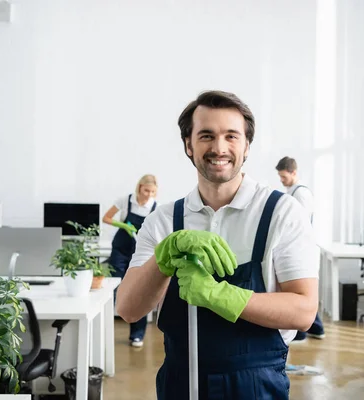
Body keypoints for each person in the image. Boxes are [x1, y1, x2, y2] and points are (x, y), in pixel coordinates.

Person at [115, 90, 319, 399]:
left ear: (247, 146)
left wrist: (219, 295)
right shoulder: (164, 220)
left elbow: (303, 310)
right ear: (188, 144)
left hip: (257, 386)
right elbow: (128, 309)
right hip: (179, 385)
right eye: (206, 136)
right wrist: (164, 258)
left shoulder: (281, 213)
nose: (219, 148)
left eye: (231, 136)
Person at [102, 174, 158, 347]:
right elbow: (107, 218)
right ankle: (103, 330)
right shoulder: (125, 201)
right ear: (139, 187)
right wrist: (123, 225)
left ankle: (137, 334)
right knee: (112, 286)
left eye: (153, 192)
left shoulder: (155, 207)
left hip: (140, 253)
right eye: (146, 190)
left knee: (138, 290)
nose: (149, 194)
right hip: (120, 249)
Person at [275, 156, 325, 341]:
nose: (281, 180)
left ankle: (308, 330)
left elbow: (297, 223)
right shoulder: (292, 191)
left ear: (293, 172)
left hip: (300, 248)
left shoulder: (301, 194)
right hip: (296, 247)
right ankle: (311, 329)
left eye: (284, 176)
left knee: (300, 292)